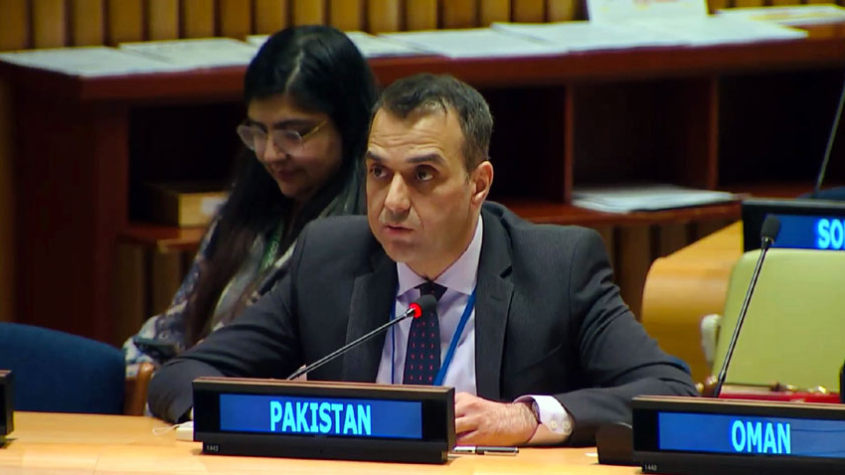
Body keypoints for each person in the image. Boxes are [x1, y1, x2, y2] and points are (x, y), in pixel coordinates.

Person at [148, 74, 697, 446]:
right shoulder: (328, 259)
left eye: (423, 175)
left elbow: (668, 393)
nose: (393, 201)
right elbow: (180, 377)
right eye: (378, 172)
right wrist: (268, 411)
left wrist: (526, 416)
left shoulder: (557, 266)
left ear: (479, 184)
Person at [123, 25, 377, 374]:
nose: (270, 153)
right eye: (258, 131)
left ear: (348, 125)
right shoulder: (249, 207)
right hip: (192, 388)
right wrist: (137, 369)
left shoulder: (360, 235)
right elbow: (174, 329)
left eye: (294, 133)